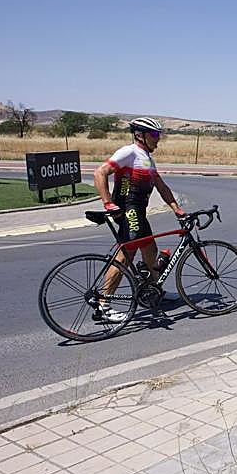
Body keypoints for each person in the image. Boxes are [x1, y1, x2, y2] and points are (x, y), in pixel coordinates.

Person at [93, 117, 184, 321]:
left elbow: (161, 186)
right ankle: (103, 304)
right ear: (139, 135)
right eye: (154, 135)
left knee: (150, 249)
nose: (157, 139)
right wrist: (108, 203)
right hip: (128, 210)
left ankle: (154, 290)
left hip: (138, 211)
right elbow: (100, 173)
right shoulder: (129, 152)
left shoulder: (146, 158)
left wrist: (177, 209)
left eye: (158, 135)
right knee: (126, 254)